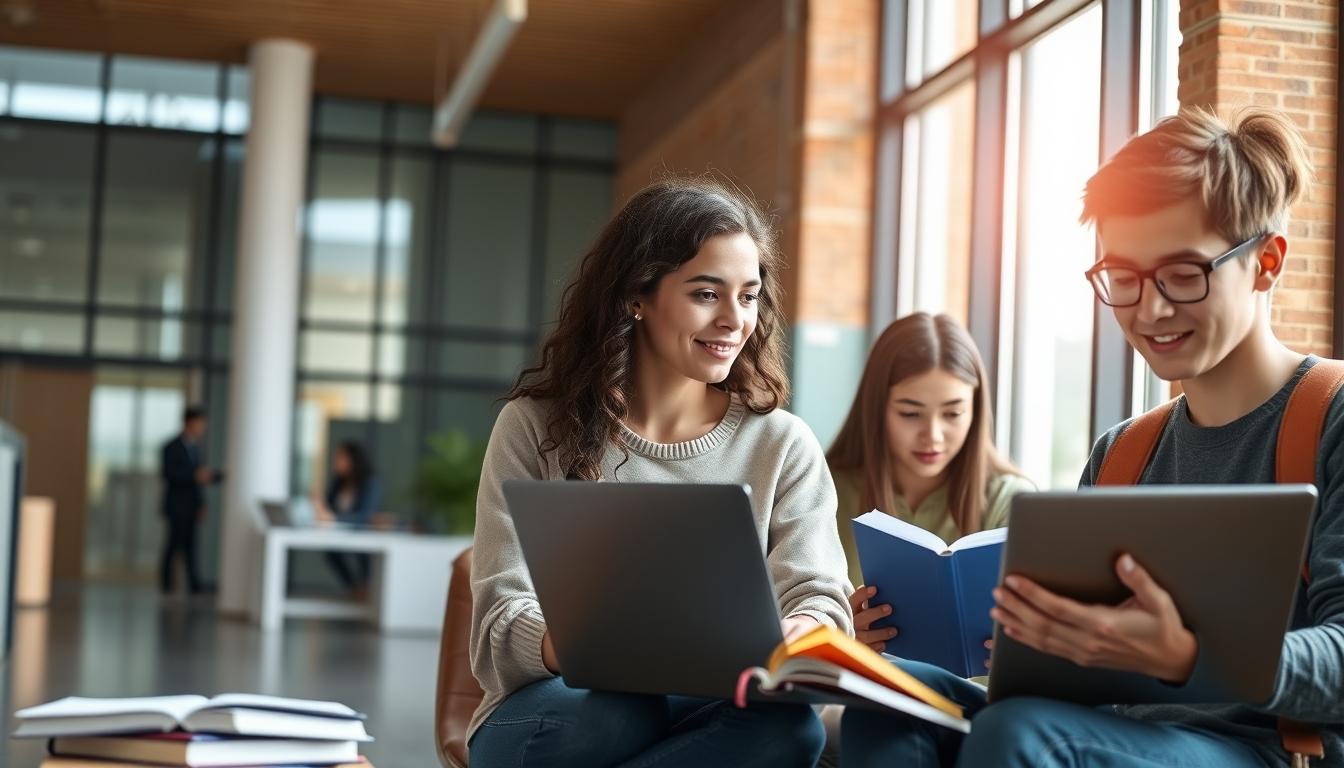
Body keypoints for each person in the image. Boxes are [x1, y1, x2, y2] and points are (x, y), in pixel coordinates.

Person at [842, 107, 1343, 767]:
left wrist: (1188, 655)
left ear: (1266, 263)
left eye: (1183, 273)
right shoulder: (1124, 452)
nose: (1150, 309)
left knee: (1018, 735)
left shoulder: (1327, 417)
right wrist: (1037, 640)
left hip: (1261, 749)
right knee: (890, 696)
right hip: (1107, 731)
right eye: (1124, 278)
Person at [467, 177, 853, 768]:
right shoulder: (534, 426)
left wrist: (803, 630)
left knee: (793, 732)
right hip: (561, 711)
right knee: (616, 712)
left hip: (715, 710)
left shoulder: (782, 444)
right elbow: (500, 616)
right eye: (706, 293)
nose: (733, 319)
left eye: (748, 297)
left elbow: (820, 596)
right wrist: (581, 644)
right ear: (636, 296)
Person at [827, 312, 1032, 646]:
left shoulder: (1012, 500)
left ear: (976, 410)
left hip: (979, 698)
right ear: (877, 408)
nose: (932, 436)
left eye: (953, 413)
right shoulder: (824, 490)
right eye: (910, 414)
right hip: (860, 692)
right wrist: (839, 635)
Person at [160, 405, 220, 595]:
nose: (202, 428)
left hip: (192, 505)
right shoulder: (171, 447)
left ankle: (194, 585)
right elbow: (169, 474)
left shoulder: (195, 447)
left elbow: (199, 479)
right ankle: (167, 585)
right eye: (200, 423)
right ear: (190, 422)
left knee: (191, 546)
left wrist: (202, 503)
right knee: (173, 545)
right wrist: (194, 476)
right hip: (177, 505)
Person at [312, 440, 381, 594]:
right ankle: (355, 589)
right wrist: (318, 504)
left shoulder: (369, 483)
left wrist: (334, 519)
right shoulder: (338, 482)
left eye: (340, 457)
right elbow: (328, 510)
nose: (336, 461)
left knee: (363, 554)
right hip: (338, 533)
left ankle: (365, 588)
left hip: (363, 533)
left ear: (353, 460)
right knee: (331, 552)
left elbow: (364, 516)